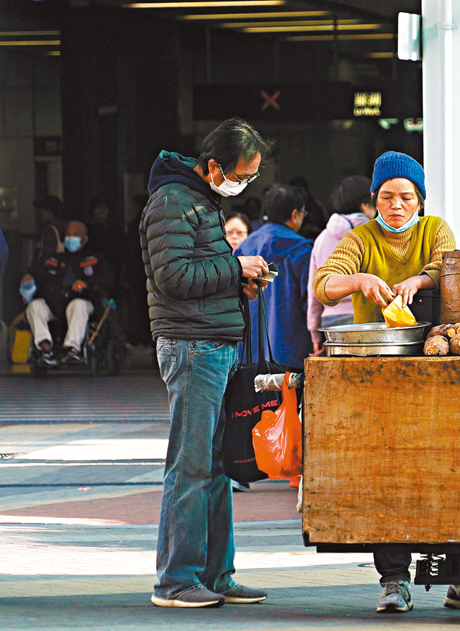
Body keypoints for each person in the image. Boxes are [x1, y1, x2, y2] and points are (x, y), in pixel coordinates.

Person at [313, 151, 460, 614]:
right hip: (379, 369)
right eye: (386, 197)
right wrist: (359, 280)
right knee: (386, 470)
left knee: (451, 467)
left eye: (406, 196)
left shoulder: (434, 229)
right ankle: (394, 579)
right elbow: (324, 283)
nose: (396, 206)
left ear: (419, 199)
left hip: (438, 363)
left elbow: (447, 265)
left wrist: (419, 281)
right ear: (372, 201)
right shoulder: (360, 238)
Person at [139, 117, 272, 609]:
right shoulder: (173, 200)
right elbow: (173, 276)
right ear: (213, 165)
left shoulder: (201, 200)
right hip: (192, 347)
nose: (244, 183)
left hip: (213, 343)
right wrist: (236, 266)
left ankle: (216, 575)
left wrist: (239, 281)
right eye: (242, 174)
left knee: (217, 466)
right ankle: (175, 581)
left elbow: (199, 275)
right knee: (191, 466)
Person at [234, 184, 314, 371]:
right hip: (291, 354)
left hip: (247, 354)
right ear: (295, 215)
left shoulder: (244, 249)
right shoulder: (302, 251)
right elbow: (310, 302)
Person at [21, 220, 112, 366]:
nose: (71, 239)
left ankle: (72, 349)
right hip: (55, 303)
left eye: (75, 235)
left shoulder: (95, 258)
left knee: (77, 305)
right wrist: (29, 278)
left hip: (84, 302)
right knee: (34, 306)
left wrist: (87, 284)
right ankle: (45, 348)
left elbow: (108, 279)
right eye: (68, 235)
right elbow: (36, 273)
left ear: (84, 239)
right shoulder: (53, 259)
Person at [307, 175, 377, 355]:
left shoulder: (322, 238)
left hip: (331, 322)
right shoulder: (373, 235)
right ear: (364, 205)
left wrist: (314, 333)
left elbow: (313, 290)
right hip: (366, 320)